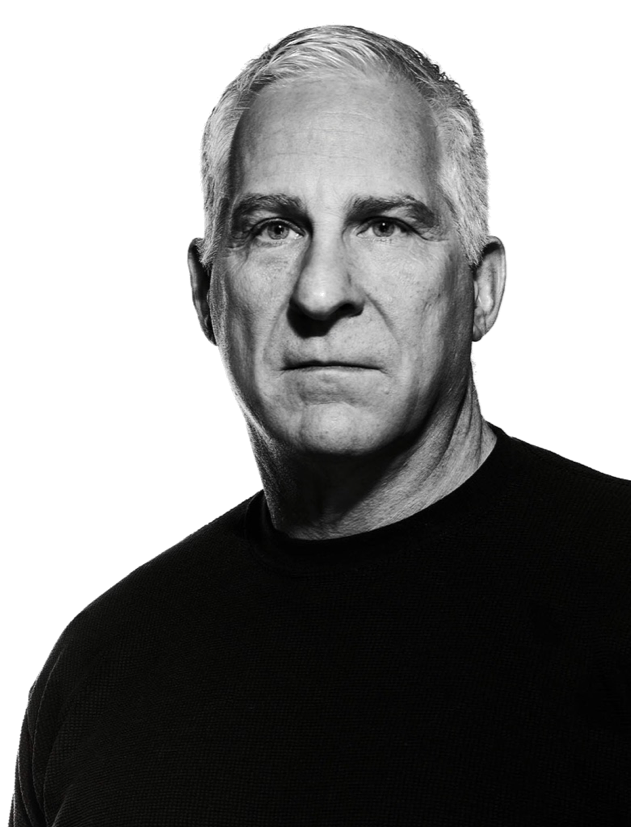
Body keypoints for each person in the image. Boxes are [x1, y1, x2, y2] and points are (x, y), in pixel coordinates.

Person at [10, 24, 630, 826]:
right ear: (205, 294)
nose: (322, 292)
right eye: (273, 228)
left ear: (480, 289)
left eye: (386, 224)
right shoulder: (97, 672)